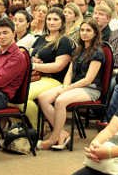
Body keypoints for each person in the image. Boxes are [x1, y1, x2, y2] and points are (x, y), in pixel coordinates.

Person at [37, 19, 104, 150]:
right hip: (73, 86)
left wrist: (67, 89)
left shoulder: (98, 53)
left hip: (90, 89)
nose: (84, 33)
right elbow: (69, 72)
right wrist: (65, 86)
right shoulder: (79, 49)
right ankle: (62, 134)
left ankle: (53, 139)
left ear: (95, 33)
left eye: (88, 30)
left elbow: (88, 80)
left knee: (60, 101)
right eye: (82, 30)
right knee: (43, 97)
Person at [26, 7, 74, 129]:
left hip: (54, 80)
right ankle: (33, 128)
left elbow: (58, 66)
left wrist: (36, 65)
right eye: (49, 19)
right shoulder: (41, 38)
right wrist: (33, 60)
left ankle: (58, 131)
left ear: (62, 22)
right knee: (15, 94)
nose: (51, 22)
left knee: (24, 96)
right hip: (36, 77)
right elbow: (31, 55)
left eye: (55, 19)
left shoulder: (64, 41)